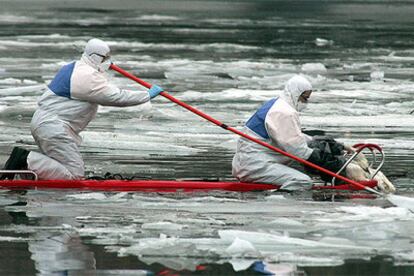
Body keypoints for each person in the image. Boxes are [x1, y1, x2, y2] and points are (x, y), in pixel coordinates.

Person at [1, 38, 164, 180]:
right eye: (105, 57)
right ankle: (24, 160)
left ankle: (25, 173)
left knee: (60, 167)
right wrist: (147, 95)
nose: (108, 61)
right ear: (94, 57)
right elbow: (114, 97)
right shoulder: (85, 75)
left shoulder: (77, 68)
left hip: (49, 124)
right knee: (74, 175)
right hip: (54, 127)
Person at [232, 75, 346, 191]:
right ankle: (276, 202)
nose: (305, 103)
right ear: (296, 94)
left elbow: (295, 137)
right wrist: (330, 162)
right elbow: (298, 150)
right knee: (302, 181)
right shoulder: (284, 112)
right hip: (255, 165)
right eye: (304, 98)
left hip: (252, 161)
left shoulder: (278, 104)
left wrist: (324, 142)